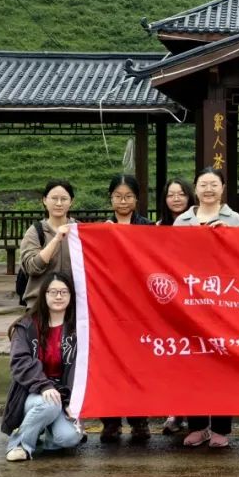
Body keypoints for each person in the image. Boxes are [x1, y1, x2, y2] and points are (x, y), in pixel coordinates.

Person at [174, 167, 239, 447]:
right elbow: (170, 258)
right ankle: (197, 425)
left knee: (223, 366)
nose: (208, 189)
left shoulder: (234, 219)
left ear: (223, 188)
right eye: (203, 184)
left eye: (214, 184)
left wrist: (228, 236)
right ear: (195, 188)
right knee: (194, 364)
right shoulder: (182, 221)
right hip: (190, 304)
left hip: (225, 303)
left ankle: (221, 429)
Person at [1, 272, 84, 461]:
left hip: (63, 394)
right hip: (32, 392)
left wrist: (72, 402)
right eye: (53, 292)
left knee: (69, 437)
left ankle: (40, 427)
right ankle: (20, 444)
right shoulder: (26, 325)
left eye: (64, 292)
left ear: (71, 296)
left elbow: (81, 368)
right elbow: (19, 362)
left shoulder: (78, 328)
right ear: (44, 295)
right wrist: (44, 386)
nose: (58, 296)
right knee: (49, 404)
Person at [101, 174, 153, 443]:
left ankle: (139, 420)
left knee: (138, 366)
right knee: (109, 365)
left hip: (139, 309)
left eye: (128, 196)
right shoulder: (101, 229)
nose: (123, 201)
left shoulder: (148, 228)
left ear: (137, 199)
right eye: (118, 197)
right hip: (108, 307)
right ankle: (110, 421)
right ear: (110, 199)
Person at [156, 176, 195, 436]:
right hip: (167, 301)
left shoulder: (197, 222)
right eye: (171, 194)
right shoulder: (157, 227)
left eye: (181, 193)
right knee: (172, 358)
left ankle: (195, 412)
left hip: (194, 298)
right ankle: (175, 411)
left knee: (193, 358)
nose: (176, 199)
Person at [18, 179, 77, 310]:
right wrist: (56, 239)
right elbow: (32, 267)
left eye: (64, 199)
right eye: (54, 198)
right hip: (40, 305)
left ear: (71, 201)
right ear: (45, 200)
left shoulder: (79, 230)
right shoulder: (35, 231)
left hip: (73, 305)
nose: (59, 203)